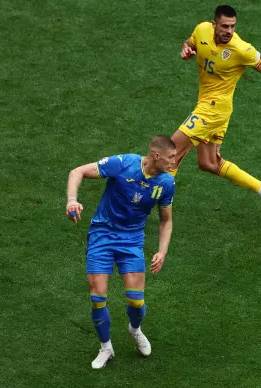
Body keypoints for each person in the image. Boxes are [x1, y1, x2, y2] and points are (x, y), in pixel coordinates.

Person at [66, 135, 177, 369]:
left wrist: (162, 251)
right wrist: (71, 200)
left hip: (132, 240)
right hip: (102, 234)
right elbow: (78, 171)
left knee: (136, 301)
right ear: (156, 156)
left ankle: (134, 329)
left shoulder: (166, 183)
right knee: (98, 298)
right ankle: (106, 347)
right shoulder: (123, 163)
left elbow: (166, 221)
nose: (173, 162)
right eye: (170, 158)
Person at [172, 4, 261, 220]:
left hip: (215, 110)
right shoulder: (201, 30)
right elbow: (189, 44)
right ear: (214, 24)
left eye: (233, 26)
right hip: (207, 106)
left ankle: (153, 207)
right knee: (208, 163)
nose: (229, 31)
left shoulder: (241, 49)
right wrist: (186, 51)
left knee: (172, 152)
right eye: (225, 26)